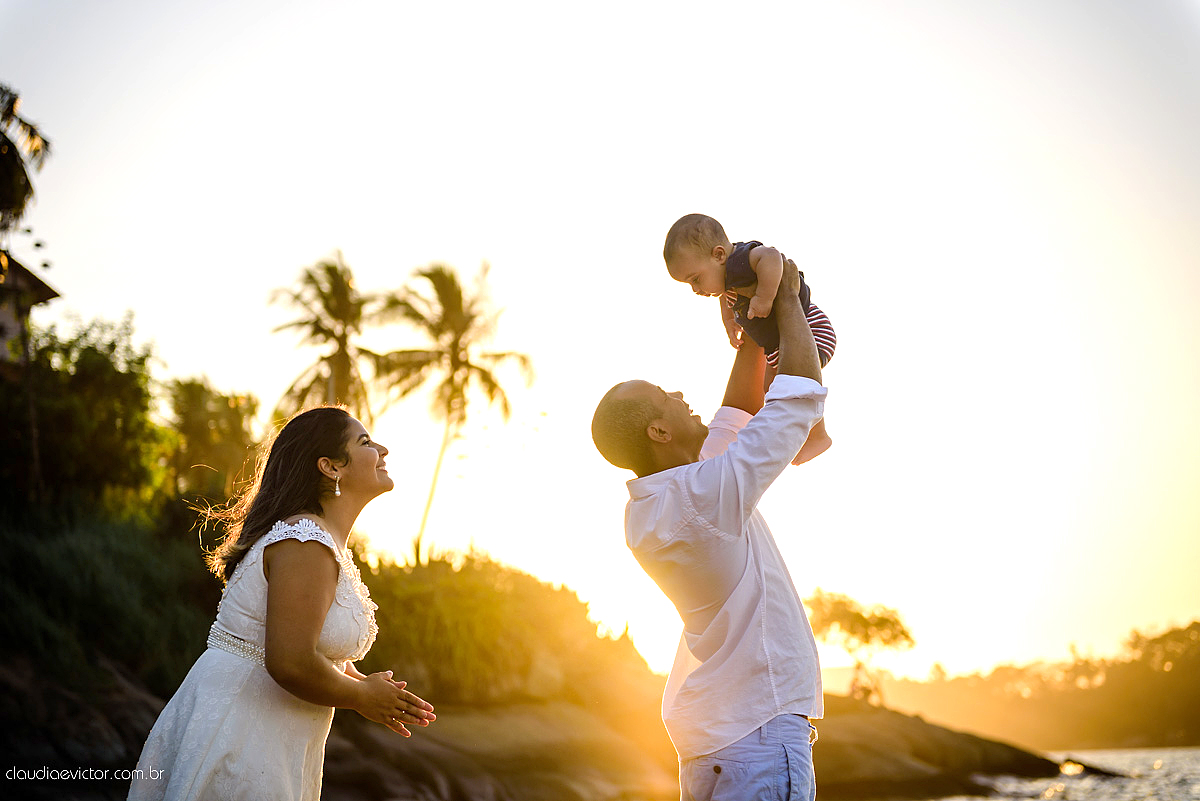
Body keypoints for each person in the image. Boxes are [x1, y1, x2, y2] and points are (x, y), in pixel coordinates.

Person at [591, 258, 825, 801]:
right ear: (658, 428)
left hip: (722, 745)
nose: (677, 392)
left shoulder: (667, 501)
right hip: (759, 740)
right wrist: (786, 297)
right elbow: (797, 399)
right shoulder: (700, 499)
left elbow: (735, 415)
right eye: (663, 395)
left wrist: (751, 331)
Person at [129, 406, 435, 801]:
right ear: (330, 467)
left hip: (276, 734)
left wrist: (371, 688)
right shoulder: (305, 543)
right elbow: (289, 660)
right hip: (242, 731)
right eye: (365, 442)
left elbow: (314, 648)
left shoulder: (321, 541)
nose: (382, 449)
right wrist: (361, 698)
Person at [664, 212, 836, 463]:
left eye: (696, 279)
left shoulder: (741, 261)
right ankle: (810, 434)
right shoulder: (727, 277)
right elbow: (725, 297)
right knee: (772, 389)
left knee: (794, 384)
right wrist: (729, 320)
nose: (696, 290)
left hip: (809, 329)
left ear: (719, 254)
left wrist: (764, 297)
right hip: (780, 343)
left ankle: (817, 436)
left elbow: (772, 257)